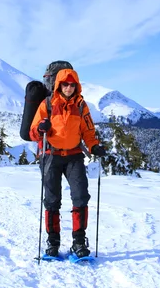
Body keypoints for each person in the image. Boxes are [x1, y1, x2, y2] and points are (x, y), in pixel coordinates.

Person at [30, 68, 107, 258]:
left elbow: (88, 132)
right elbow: (32, 132)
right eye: (65, 84)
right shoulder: (46, 105)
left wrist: (94, 146)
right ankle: (53, 242)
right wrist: (41, 128)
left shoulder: (81, 106)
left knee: (80, 197)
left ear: (77, 86)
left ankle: (79, 242)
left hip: (74, 156)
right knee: (51, 200)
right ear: (58, 85)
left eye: (72, 84)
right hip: (51, 156)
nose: (69, 87)